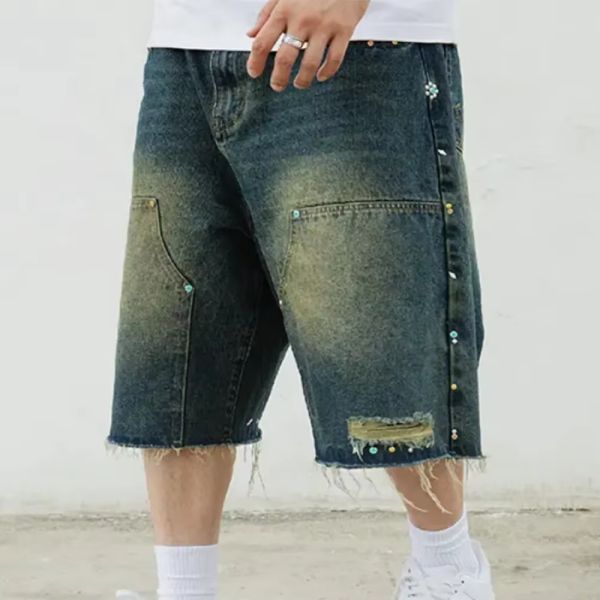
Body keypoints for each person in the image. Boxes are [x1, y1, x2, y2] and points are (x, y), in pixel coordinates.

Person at [106, 0, 495, 598]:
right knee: (179, 357)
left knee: (378, 340)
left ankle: (450, 572)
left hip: (355, 48)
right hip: (184, 51)